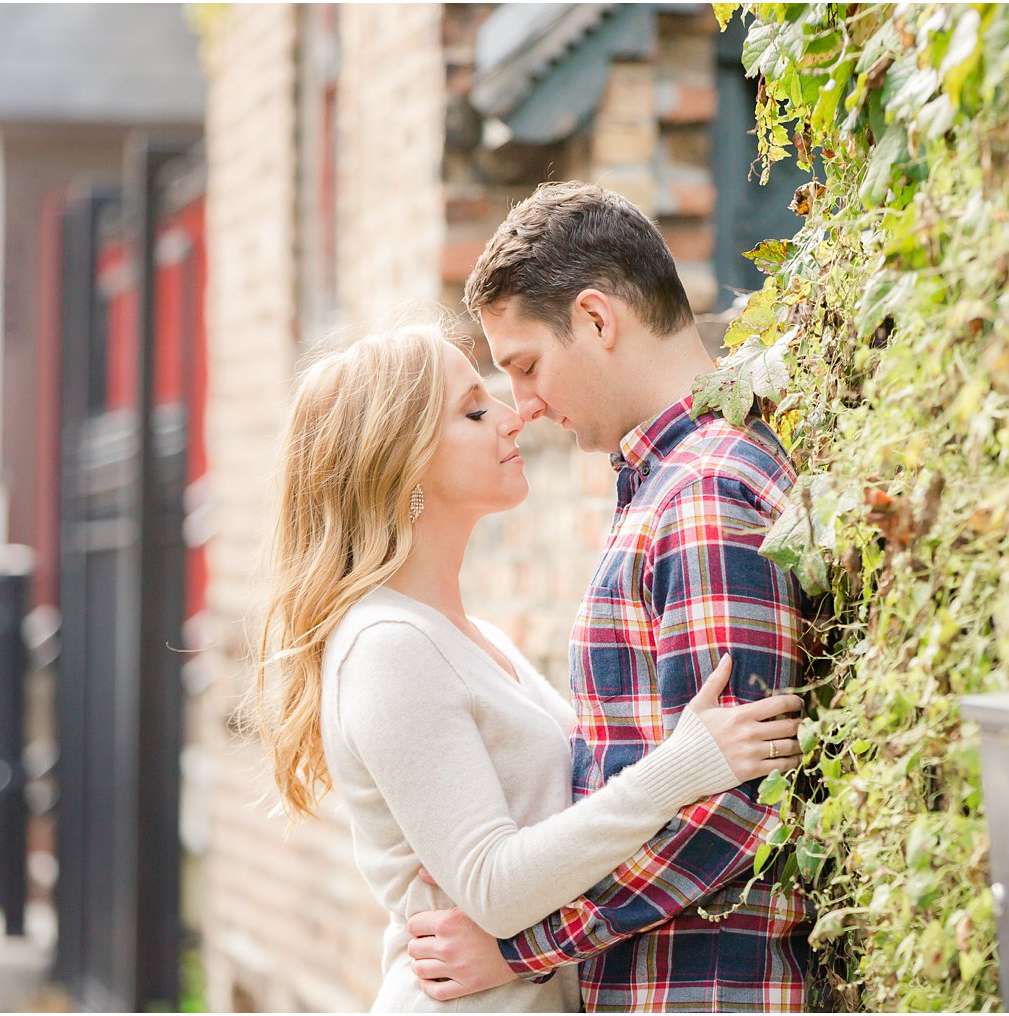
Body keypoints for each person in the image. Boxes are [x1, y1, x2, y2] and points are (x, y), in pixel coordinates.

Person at [253, 319, 805, 1012]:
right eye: (475, 411)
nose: (513, 420)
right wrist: (680, 768)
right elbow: (494, 885)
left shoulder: (472, 637)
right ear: (401, 460)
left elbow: (564, 825)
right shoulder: (387, 648)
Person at [405, 182, 813, 1012]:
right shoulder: (665, 489)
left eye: (524, 366)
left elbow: (738, 809)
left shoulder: (700, 498)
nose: (525, 406)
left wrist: (523, 947)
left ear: (596, 319)